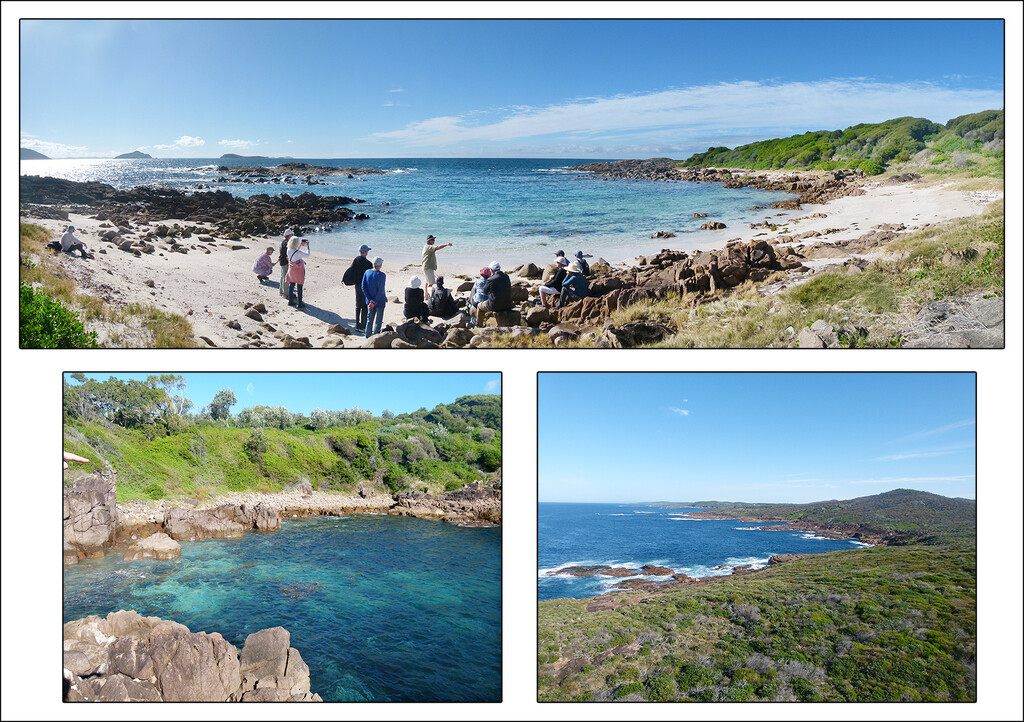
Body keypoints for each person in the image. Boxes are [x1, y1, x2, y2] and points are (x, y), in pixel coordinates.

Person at [343, 244, 374, 331]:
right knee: (364, 306)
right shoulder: (369, 264)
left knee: (358, 305)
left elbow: (352, 270)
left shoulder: (356, 260)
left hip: (357, 285)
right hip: (365, 286)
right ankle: (363, 325)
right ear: (366, 252)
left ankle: (357, 324)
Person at [475, 261, 512, 326]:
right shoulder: (506, 276)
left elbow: (485, 290)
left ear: (492, 270)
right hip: (507, 304)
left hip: (494, 305)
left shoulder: (491, 279)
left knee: (479, 306)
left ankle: (479, 325)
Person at [361, 256, 387, 337]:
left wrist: (370, 300)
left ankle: (367, 337)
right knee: (378, 321)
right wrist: (374, 301)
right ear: (380, 265)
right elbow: (380, 290)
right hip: (379, 301)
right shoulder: (382, 275)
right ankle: (375, 338)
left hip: (370, 301)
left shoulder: (367, 272)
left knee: (369, 320)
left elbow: (363, 287)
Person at [285, 236, 311, 309]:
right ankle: (300, 302)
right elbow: (308, 255)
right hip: (299, 271)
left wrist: (299, 246)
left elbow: (295, 251)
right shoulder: (298, 253)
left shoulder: (288, 250)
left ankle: (290, 301)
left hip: (292, 270)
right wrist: (308, 247)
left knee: (292, 285)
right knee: (300, 286)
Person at [278, 228, 296, 296]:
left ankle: (281, 291)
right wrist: (290, 262)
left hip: (282, 261)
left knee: (283, 276)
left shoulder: (283, 242)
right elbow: (286, 255)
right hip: (285, 262)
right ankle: (286, 293)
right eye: (291, 235)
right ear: (289, 235)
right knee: (287, 277)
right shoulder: (287, 243)